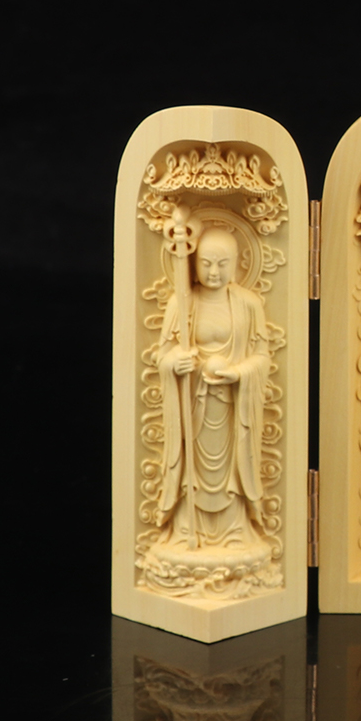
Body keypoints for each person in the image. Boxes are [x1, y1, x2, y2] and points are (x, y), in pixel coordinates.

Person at [153, 225, 272, 574]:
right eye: (206, 263)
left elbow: (262, 357)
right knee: (191, 471)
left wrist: (240, 373)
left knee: (232, 470)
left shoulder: (249, 305)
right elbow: (162, 354)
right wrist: (175, 362)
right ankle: (187, 530)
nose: (214, 272)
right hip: (193, 404)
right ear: (194, 264)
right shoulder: (181, 302)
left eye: (222, 264)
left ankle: (234, 531)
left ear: (237, 264)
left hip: (233, 407)